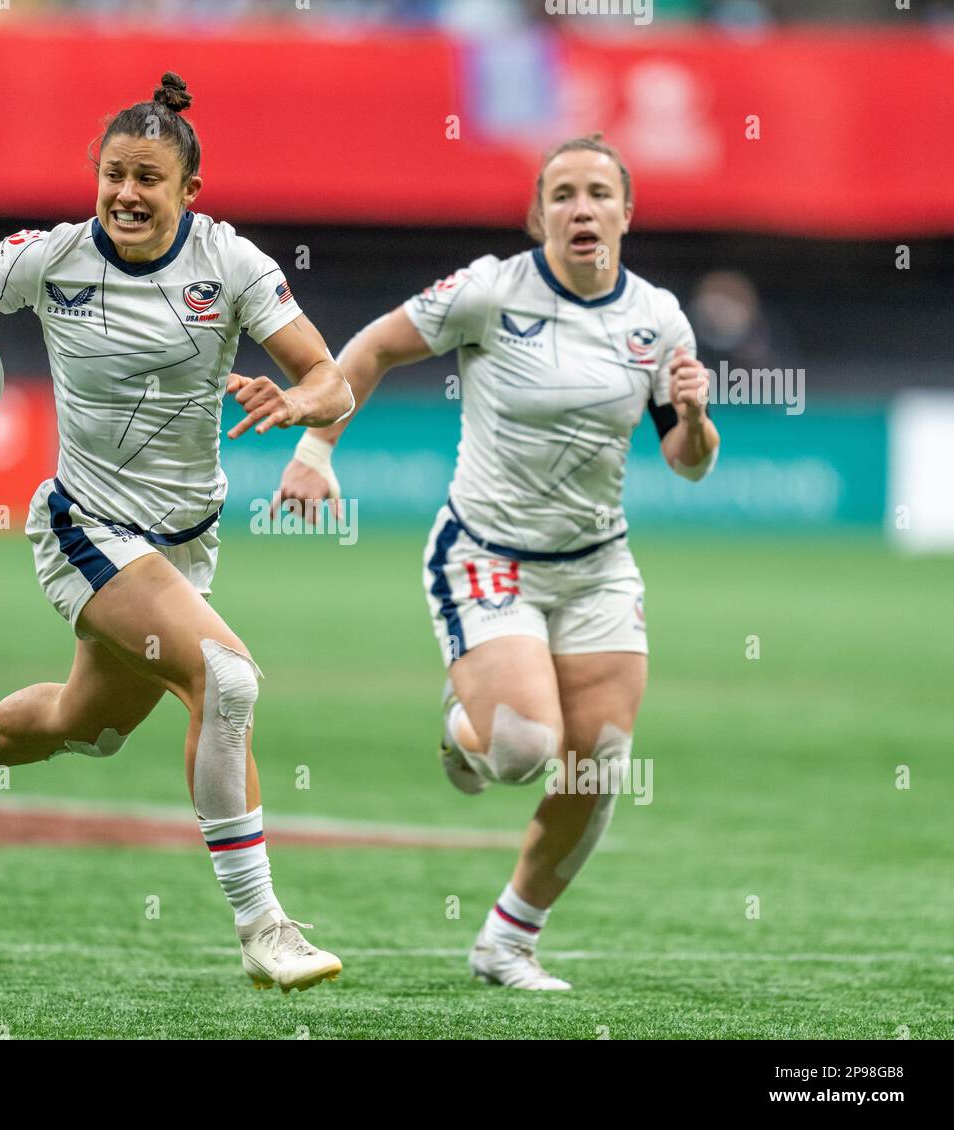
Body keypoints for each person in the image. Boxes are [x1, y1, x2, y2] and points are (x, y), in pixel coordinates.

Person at [0, 73, 354, 995]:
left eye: (149, 178)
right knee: (226, 679)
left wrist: (300, 402)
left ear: (190, 191)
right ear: (94, 176)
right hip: (86, 527)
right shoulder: (51, 257)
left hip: (182, 546)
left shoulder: (233, 266)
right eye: (113, 173)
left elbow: (330, 379)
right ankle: (262, 927)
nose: (126, 193)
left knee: (89, 726)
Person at [270, 134, 719, 990]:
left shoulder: (658, 318)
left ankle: (508, 941)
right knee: (519, 749)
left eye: (597, 193)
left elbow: (688, 461)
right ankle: (460, 729)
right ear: (537, 214)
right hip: (488, 555)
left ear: (627, 212)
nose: (580, 208)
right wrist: (318, 448)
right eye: (562, 194)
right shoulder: (489, 290)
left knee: (598, 761)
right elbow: (369, 350)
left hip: (597, 568)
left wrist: (696, 418)